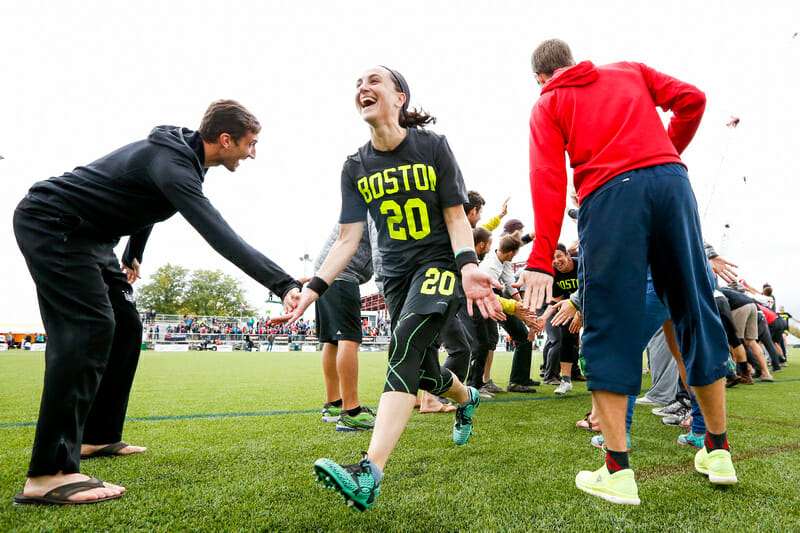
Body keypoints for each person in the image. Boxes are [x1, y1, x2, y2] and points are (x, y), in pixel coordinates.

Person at [12, 100, 301, 506]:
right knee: (89, 329)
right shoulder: (175, 165)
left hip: (94, 239)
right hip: (53, 222)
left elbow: (146, 201)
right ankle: (50, 472)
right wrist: (283, 283)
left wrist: (134, 251)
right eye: (250, 144)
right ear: (225, 140)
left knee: (127, 327)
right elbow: (219, 234)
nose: (253, 153)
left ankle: (98, 437)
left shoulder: (183, 160)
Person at [518, 39, 736, 506]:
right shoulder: (628, 69)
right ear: (572, 60)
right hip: (672, 183)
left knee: (611, 326)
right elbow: (693, 100)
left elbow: (549, 180)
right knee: (696, 314)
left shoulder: (548, 102)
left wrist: (539, 260)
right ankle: (718, 451)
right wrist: (663, 151)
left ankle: (617, 471)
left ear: (541, 77)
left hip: (610, 195)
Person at [287, 65, 501, 511]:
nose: (363, 88)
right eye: (357, 85)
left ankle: (369, 472)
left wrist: (467, 264)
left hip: (439, 263)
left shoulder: (433, 146)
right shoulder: (354, 166)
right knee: (421, 369)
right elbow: (348, 239)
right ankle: (466, 397)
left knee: (404, 345)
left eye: (374, 80)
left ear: (400, 97)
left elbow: (456, 216)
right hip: (395, 275)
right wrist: (314, 287)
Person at [314, 222, 378, 431]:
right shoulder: (375, 205)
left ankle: (333, 405)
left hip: (325, 274)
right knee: (348, 339)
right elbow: (380, 252)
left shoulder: (357, 203)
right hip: (342, 273)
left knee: (332, 340)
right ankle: (352, 412)